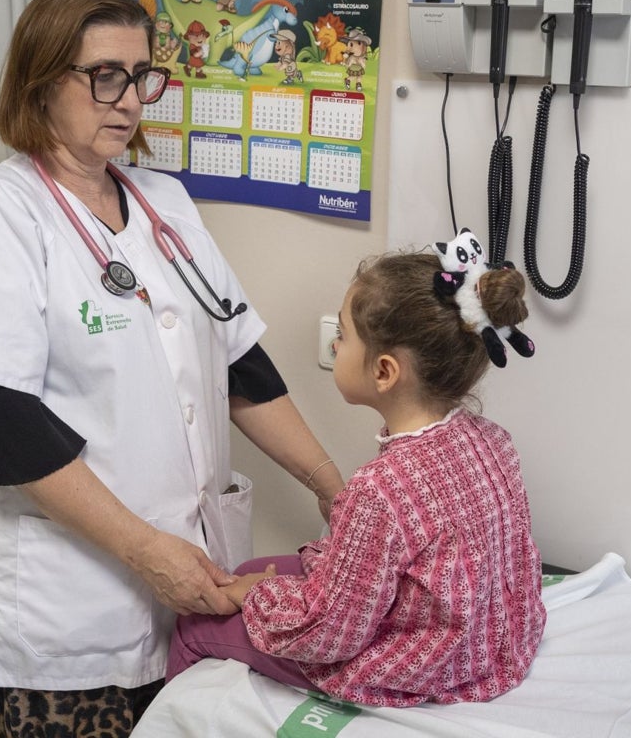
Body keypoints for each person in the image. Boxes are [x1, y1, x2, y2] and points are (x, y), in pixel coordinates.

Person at [0, 0, 342, 738]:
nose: (129, 100)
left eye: (140, 75)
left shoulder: (164, 204)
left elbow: (239, 366)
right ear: (41, 81)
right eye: (103, 76)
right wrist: (147, 551)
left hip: (193, 585)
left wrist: (334, 489)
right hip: (72, 606)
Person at [166, 246, 547, 707]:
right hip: (488, 642)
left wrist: (260, 598)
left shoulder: (379, 491)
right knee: (244, 573)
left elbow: (331, 635)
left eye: (343, 337)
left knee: (195, 626)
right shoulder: (492, 441)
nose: (334, 346)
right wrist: (261, 584)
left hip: (429, 659)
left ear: (384, 372)